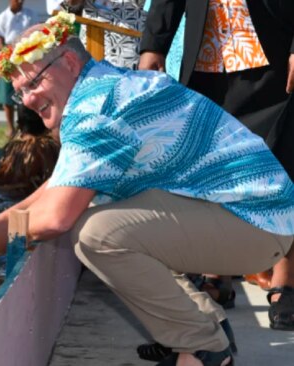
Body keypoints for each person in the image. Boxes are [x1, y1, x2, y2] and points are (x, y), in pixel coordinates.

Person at [0, 12, 294, 365]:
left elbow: (57, 217)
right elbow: (61, 184)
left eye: (33, 84)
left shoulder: (96, 109)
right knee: (100, 212)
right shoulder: (103, 83)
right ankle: (203, 322)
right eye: (21, 94)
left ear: (67, 61)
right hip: (259, 215)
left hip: (259, 224)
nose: (29, 101)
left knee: (94, 233)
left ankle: (202, 347)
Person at [140, 0, 294, 331]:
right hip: (208, 55)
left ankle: (285, 280)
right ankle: (216, 272)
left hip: (275, 52)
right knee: (213, 168)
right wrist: (154, 44)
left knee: (281, 165)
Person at [0, 0, 39, 138]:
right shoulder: (1, 17)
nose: (20, 1)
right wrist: (7, 53)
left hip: (27, 55)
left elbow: (37, 34)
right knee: (6, 95)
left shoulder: (31, 15)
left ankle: (26, 125)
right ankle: (10, 127)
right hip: (8, 56)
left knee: (27, 92)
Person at [0, 106, 59, 197]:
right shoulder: (49, 149)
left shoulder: (10, 149)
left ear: (19, 125)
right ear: (46, 123)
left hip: (5, 195)